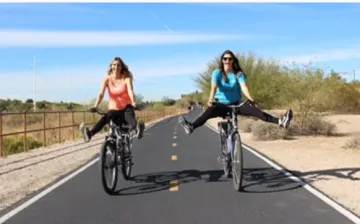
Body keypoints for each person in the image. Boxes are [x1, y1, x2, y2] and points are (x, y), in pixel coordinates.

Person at [179, 49, 293, 135]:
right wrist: (210, 100)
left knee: (256, 111)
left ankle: (280, 121)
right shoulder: (216, 73)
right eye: (225, 59)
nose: (227, 61)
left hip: (236, 104)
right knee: (208, 112)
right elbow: (213, 87)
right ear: (222, 61)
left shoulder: (238, 74)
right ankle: (192, 126)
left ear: (233, 60)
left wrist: (251, 99)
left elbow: (244, 87)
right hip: (221, 104)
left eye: (229, 59)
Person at [79, 56, 145, 142]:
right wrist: (95, 105)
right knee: (105, 118)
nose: (116, 67)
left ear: (121, 67)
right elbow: (101, 94)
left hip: (126, 107)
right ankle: (89, 134)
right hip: (113, 109)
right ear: (111, 66)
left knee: (128, 116)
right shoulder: (106, 79)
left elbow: (130, 91)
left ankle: (138, 129)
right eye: (114, 65)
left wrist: (133, 102)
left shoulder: (126, 78)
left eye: (118, 65)